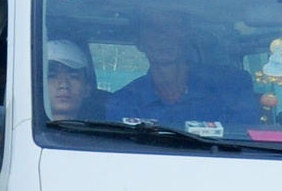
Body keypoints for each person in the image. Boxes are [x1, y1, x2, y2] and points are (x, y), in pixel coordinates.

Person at [103, 9, 254, 126]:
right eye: (152, 29)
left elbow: (246, 147)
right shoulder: (123, 101)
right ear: (138, 41)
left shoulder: (231, 87)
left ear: (187, 34)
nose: (162, 37)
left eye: (171, 27)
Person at [42, 40, 102, 122]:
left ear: (87, 89)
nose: (63, 85)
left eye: (73, 77)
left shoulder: (100, 133)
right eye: (52, 76)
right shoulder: (21, 129)